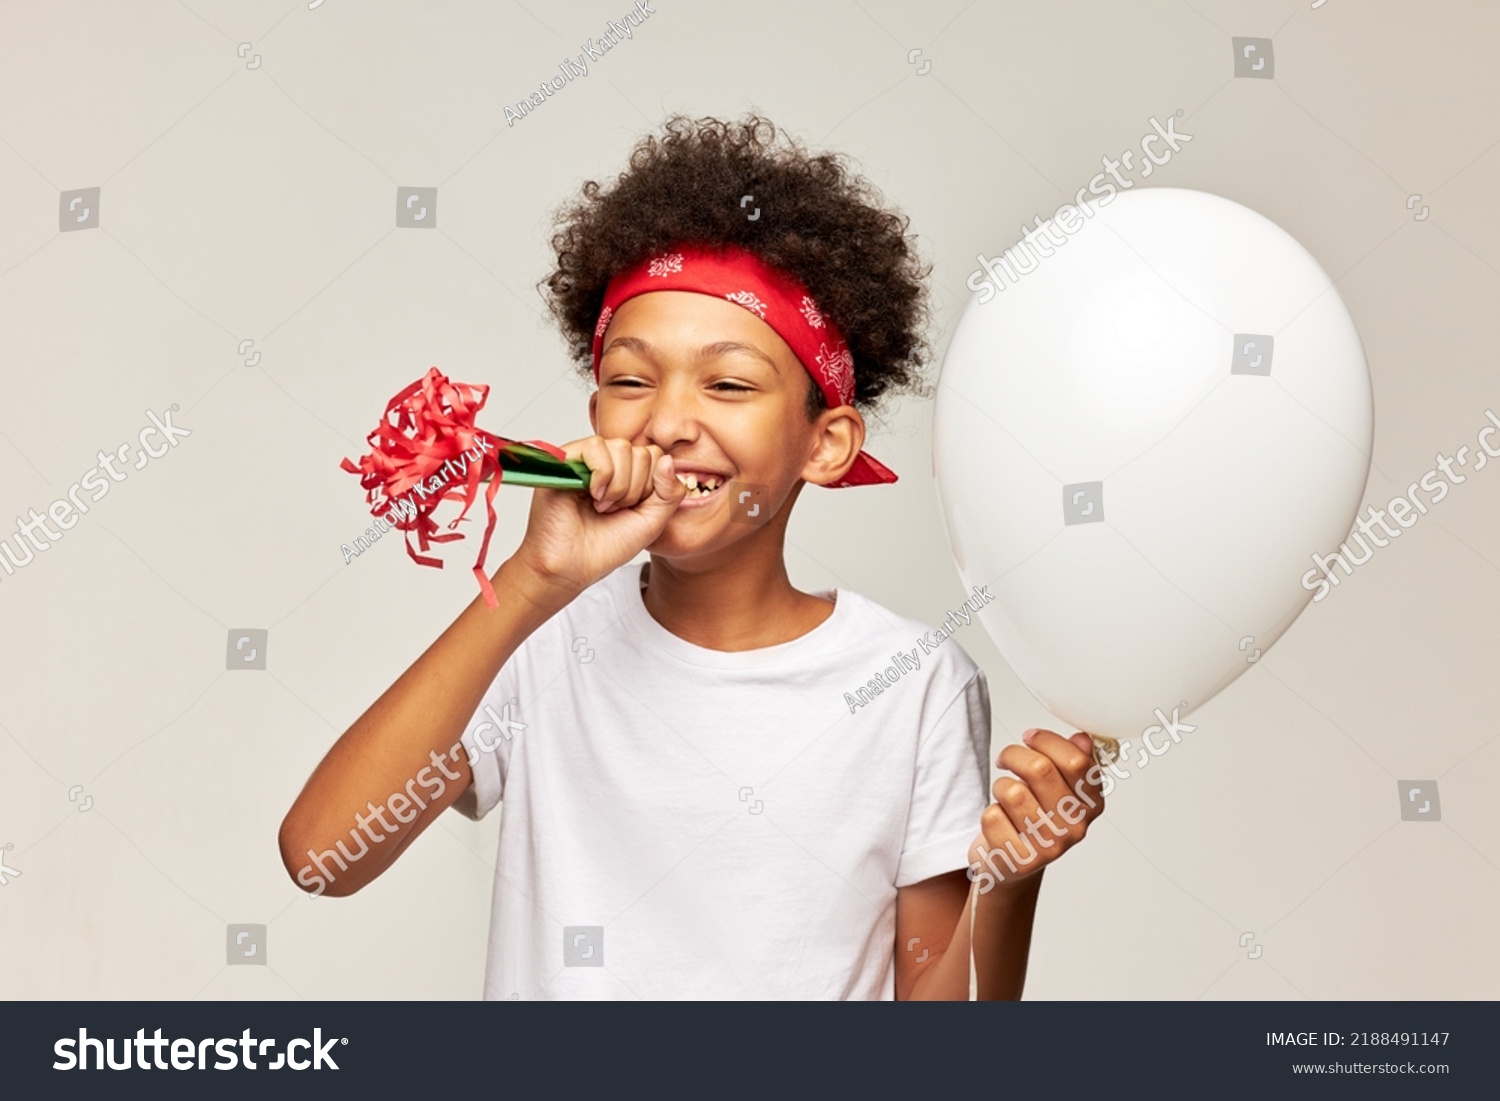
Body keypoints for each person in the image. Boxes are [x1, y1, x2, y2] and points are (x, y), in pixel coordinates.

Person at [278, 113, 1104, 999]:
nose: (668, 423)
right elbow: (323, 855)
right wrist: (529, 584)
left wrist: (1008, 884)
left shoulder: (915, 683)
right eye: (631, 379)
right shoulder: (541, 638)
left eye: (729, 383)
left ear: (826, 444)